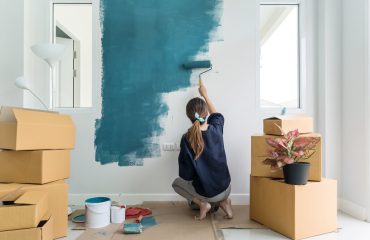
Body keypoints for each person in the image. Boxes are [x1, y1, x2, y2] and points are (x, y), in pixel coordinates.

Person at [172, 82, 232, 220]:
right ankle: (224, 201)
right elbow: (217, 115)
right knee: (214, 188)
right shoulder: (216, 129)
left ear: (189, 117)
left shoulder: (187, 138)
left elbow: (186, 175)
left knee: (176, 183)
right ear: (206, 113)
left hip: (209, 193)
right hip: (226, 188)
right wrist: (205, 94)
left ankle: (203, 204)